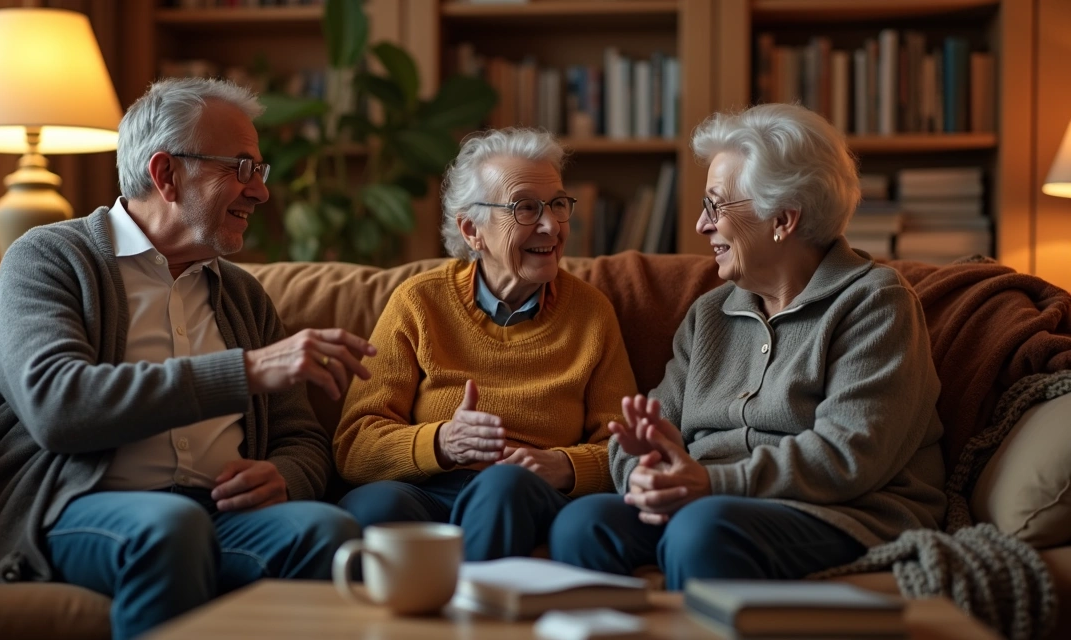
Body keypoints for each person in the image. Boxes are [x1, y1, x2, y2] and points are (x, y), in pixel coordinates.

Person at [0, 77, 375, 639]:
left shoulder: (240, 295)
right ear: (166, 174)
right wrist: (246, 370)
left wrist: (283, 477)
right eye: (240, 168)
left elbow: (301, 436)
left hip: (223, 514)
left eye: (259, 171)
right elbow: (56, 405)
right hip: (80, 505)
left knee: (327, 532)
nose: (260, 192)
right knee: (172, 526)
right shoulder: (49, 259)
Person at [550, 103, 947, 588]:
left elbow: (850, 455)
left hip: (845, 513)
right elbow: (646, 429)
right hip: (708, 501)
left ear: (782, 218)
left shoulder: (874, 302)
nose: (701, 225)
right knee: (582, 523)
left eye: (716, 206)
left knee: (701, 532)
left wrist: (712, 482)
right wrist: (649, 466)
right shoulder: (710, 314)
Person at [332, 128, 638, 561]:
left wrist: (564, 465)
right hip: (429, 491)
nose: (551, 225)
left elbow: (624, 447)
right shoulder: (419, 302)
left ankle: (472, 619)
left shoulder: (591, 313)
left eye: (557, 205)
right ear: (472, 229)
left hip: (526, 495)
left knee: (503, 485)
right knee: (375, 506)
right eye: (526, 208)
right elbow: (354, 446)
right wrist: (443, 442)